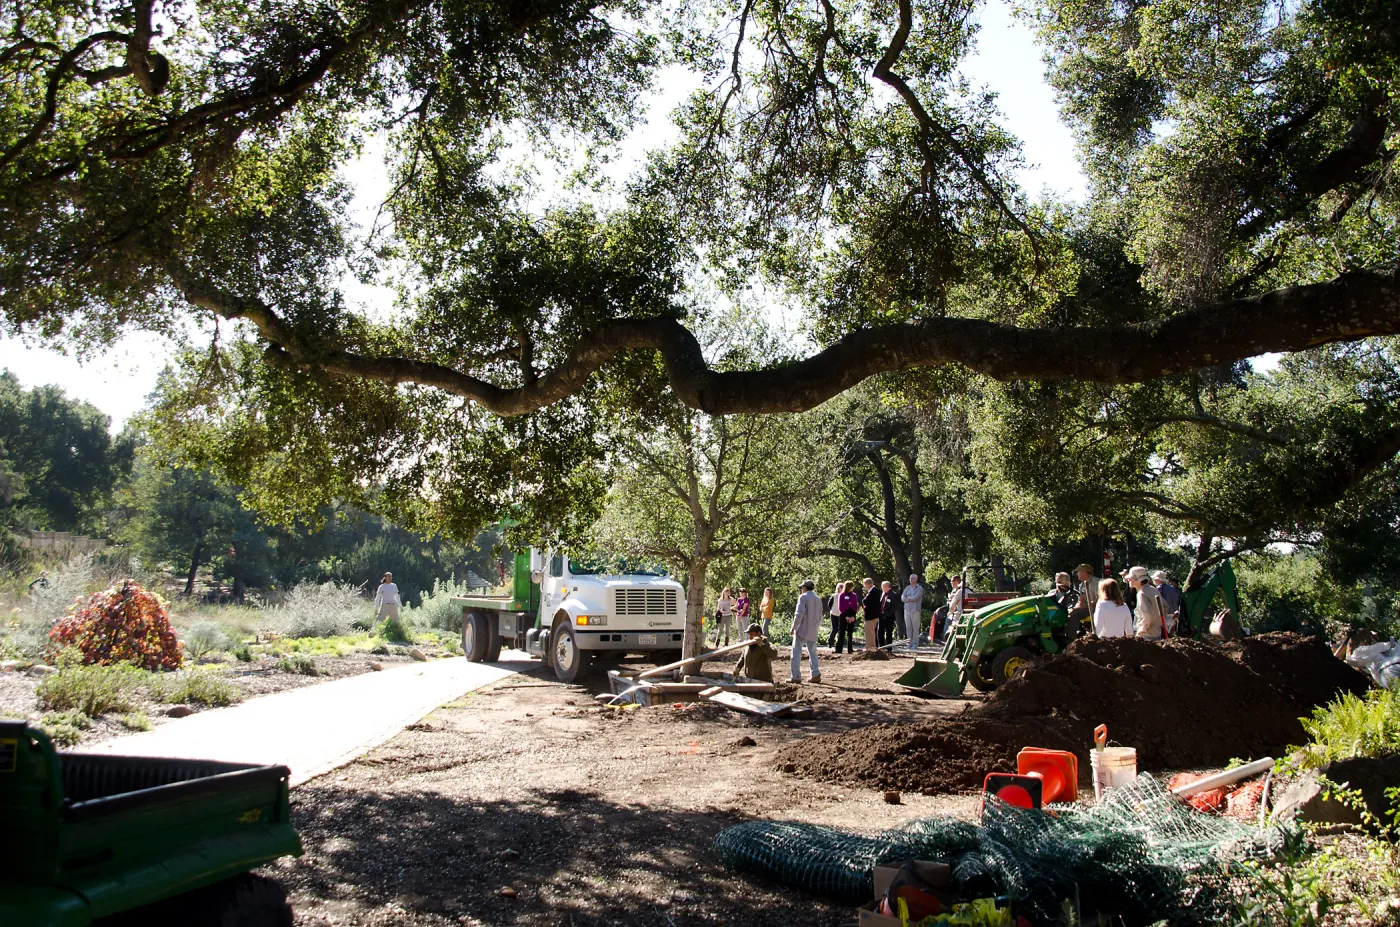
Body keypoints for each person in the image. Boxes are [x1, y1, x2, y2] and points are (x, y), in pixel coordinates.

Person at [790, 581, 823, 683]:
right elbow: (820, 616)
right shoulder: (818, 599)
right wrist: (816, 627)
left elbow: (799, 614)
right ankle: (815, 674)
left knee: (796, 653)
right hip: (813, 630)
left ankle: (796, 676)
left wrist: (793, 627)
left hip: (802, 629)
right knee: (813, 653)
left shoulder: (803, 597)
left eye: (802, 587)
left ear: (804, 587)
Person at [1125, 566, 1165, 641]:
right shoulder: (1153, 589)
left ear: (1138, 580)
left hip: (1146, 636)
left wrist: (1143, 628)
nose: (1128, 580)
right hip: (1157, 633)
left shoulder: (1141, 593)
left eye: (1130, 578)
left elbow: (1147, 614)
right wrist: (1158, 623)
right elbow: (1165, 607)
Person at [1152, 571, 1181, 636]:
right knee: (1170, 634)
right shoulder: (1172, 588)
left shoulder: (1159, 588)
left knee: (1163, 635)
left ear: (1158, 579)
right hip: (1174, 614)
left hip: (1164, 614)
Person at [1072, 563, 1097, 635]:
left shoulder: (1098, 582)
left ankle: (1071, 637)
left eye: (1078, 572)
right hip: (1088, 608)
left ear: (1085, 572)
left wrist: (1086, 605)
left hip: (1097, 609)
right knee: (1069, 612)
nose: (1077, 574)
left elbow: (1099, 600)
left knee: (1075, 614)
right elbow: (1080, 601)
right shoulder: (1082, 585)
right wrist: (1074, 608)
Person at [835, 581, 860, 653]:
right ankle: (839, 649)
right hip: (844, 615)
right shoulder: (842, 595)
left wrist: (853, 616)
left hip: (852, 615)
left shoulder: (854, 595)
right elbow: (840, 607)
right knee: (841, 632)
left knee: (850, 633)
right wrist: (846, 617)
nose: (853, 588)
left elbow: (855, 606)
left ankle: (850, 649)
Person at [901, 574, 925, 645]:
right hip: (907, 610)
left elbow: (916, 597)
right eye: (910, 578)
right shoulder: (907, 588)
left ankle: (915, 643)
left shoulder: (919, 588)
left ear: (916, 579)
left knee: (915, 628)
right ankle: (909, 643)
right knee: (908, 627)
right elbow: (902, 597)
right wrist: (909, 598)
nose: (911, 580)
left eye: (912, 578)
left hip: (915, 610)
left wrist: (908, 598)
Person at [862, 577, 881, 652]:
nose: (864, 586)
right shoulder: (874, 591)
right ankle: (872, 647)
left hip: (871, 616)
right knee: (871, 632)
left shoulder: (873, 591)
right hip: (873, 615)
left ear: (868, 584)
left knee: (869, 632)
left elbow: (865, 601)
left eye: (865, 584)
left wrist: (864, 600)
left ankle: (870, 648)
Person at [879, 580, 899, 647]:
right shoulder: (883, 593)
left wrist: (889, 613)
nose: (882, 588)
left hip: (889, 616)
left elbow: (895, 606)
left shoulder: (893, 594)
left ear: (887, 586)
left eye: (883, 586)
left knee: (889, 631)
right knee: (880, 631)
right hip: (881, 615)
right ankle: (881, 646)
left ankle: (889, 647)